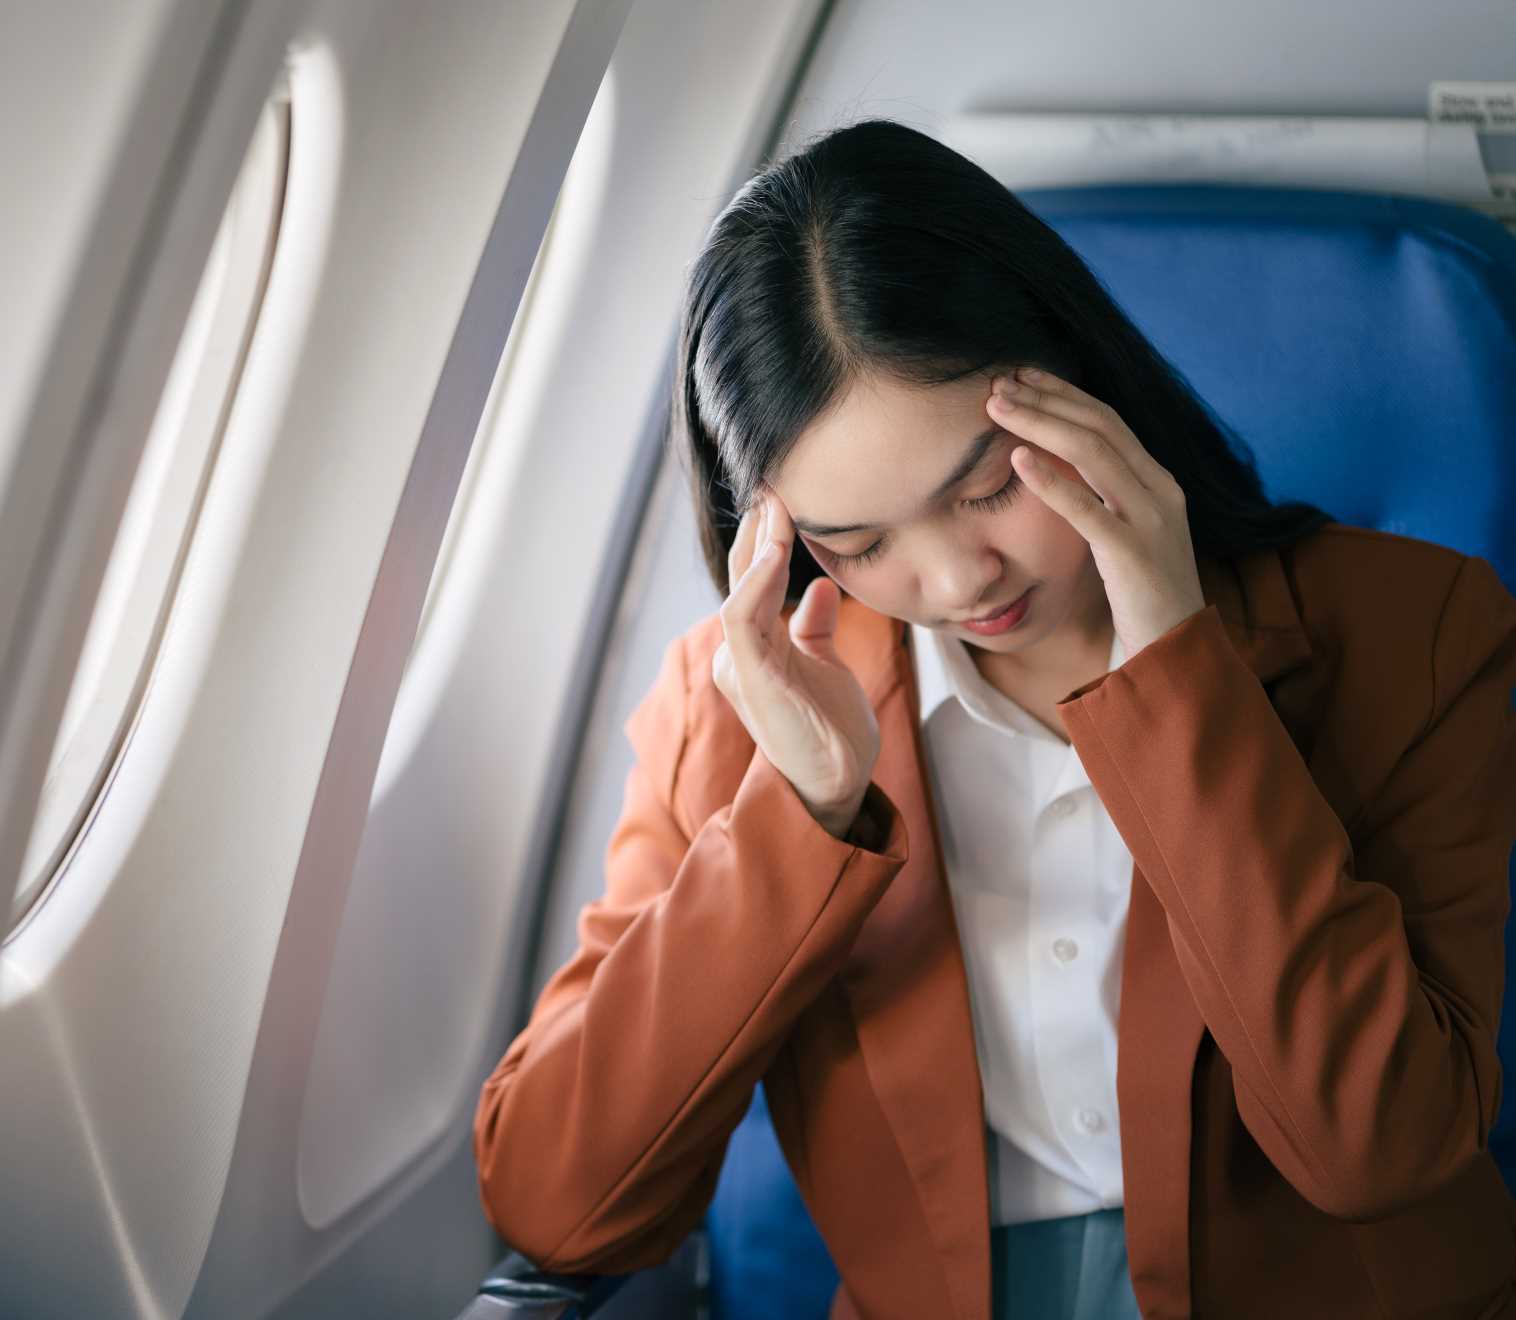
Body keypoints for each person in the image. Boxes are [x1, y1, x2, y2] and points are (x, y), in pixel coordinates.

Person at [471, 119, 1516, 1318]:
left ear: (1079, 384)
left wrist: (1179, 677)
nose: (960, 579)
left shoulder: (1413, 634)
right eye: (858, 544)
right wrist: (801, 813)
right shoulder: (736, 711)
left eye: (986, 486)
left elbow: (1377, 1150)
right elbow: (556, 1201)